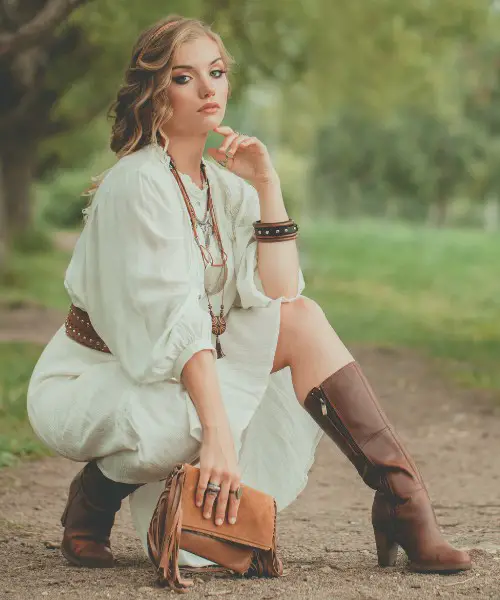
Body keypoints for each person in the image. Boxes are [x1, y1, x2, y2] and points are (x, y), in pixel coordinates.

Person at [27, 15, 471, 576]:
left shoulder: (227, 189)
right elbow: (176, 318)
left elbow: (280, 291)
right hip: (99, 378)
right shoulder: (136, 184)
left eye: (216, 72)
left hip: (180, 369)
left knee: (302, 319)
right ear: (154, 92)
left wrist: (267, 186)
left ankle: (404, 502)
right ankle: (94, 496)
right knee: (180, 428)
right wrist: (219, 438)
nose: (209, 88)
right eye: (185, 77)